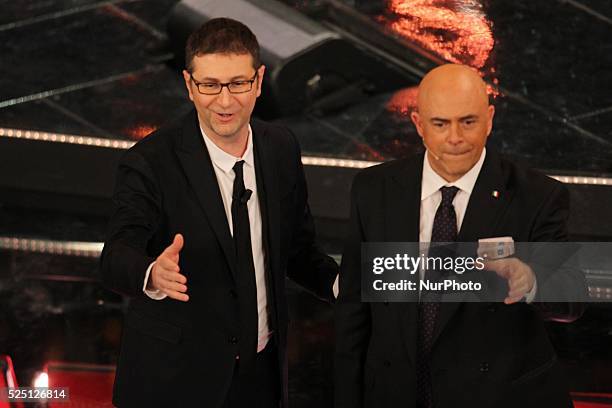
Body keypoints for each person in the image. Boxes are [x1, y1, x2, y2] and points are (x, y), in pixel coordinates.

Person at [100, 17, 338, 408]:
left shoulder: (280, 148)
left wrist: (341, 284)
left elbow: (296, 248)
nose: (225, 101)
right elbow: (116, 254)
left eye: (238, 84)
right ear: (189, 85)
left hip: (261, 376)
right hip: (176, 383)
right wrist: (152, 274)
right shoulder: (150, 162)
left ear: (259, 81)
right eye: (210, 85)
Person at [334, 64, 584, 408]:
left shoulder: (537, 196)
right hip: (396, 393)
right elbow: (353, 312)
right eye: (440, 124)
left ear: (490, 118)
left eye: (468, 122)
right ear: (419, 124)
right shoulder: (373, 189)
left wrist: (530, 279)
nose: (456, 137)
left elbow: (573, 293)